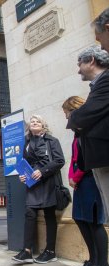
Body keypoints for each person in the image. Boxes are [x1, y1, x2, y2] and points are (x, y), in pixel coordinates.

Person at [63, 96, 108, 266]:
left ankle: (103, 265)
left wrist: (77, 176)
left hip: (90, 180)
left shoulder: (90, 130)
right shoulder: (78, 134)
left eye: (67, 113)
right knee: (82, 220)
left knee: (95, 222)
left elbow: (88, 159)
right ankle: (93, 260)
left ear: (75, 111)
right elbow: (74, 159)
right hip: (80, 183)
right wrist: (71, 177)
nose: (66, 118)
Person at [12, 115, 65, 264]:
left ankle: (50, 251)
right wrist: (23, 176)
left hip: (48, 182)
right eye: (32, 122)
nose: (34, 123)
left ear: (43, 125)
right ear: (29, 127)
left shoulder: (52, 141)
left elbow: (59, 160)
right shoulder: (27, 143)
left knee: (49, 215)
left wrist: (42, 171)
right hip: (33, 184)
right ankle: (27, 251)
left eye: (38, 122)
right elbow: (25, 164)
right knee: (29, 213)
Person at [67, 45, 109, 226]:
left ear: (91, 60)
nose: (78, 70)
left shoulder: (105, 80)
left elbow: (81, 116)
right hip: (98, 161)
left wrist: (77, 118)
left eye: (79, 64)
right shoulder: (97, 85)